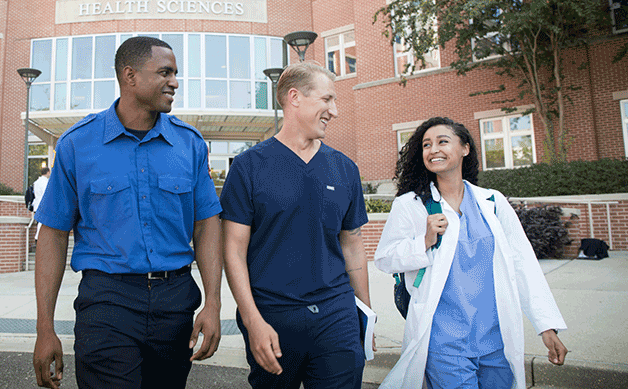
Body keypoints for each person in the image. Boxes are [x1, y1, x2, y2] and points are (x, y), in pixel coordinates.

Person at [32, 36, 222, 389]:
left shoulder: (190, 144)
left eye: (176, 73)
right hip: (107, 302)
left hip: (175, 302)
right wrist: (45, 329)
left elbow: (207, 225)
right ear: (130, 76)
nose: (175, 82)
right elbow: (53, 235)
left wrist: (213, 303)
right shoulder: (77, 144)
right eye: (165, 72)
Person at [374, 117, 568, 389]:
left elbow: (523, 264)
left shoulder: (492, 202)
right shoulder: (411, 205)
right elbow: (385, 258)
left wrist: (546, 326)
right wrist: (425, 240)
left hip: (495, 341)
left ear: (465, 148)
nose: (433, 149)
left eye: (443, 141)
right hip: (444, 343)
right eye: (426, 145)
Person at [220, 62, 371, 389]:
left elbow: (353, 245)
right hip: (272, 316)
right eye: (327, 99)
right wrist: (252, 321)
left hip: (336, 314)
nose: (335, 110)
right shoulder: (248, 167)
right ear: (294, 98)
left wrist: (366, 316)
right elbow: (233, 251)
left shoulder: (344, 168)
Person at [33, 167, 51, 240]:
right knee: (42, 223)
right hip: (42, 205)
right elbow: (46, 194)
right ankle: (38, 238)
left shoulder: (37, 182)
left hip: (37, 205)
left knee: (39, 223)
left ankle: (38, 238)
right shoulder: (45, 182)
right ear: (48, 172)